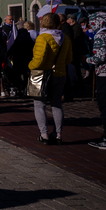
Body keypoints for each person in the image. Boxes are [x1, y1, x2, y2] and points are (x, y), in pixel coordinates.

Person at [28, 13, 73, 145]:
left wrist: (30, 65)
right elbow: (69, 59)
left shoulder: (43, 38)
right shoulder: (66, 38)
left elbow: (39, 60)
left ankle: (44, 134)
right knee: (56, 104)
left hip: (41, 74)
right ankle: (58, 134)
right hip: (60, 74)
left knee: (39, 105)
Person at [85, 12, 106, 150]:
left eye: (92, 22)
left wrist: (87, 60)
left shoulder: (100, 35)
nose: (90, 24)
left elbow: (99, 58)